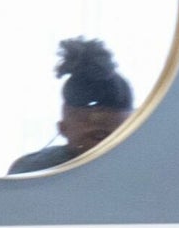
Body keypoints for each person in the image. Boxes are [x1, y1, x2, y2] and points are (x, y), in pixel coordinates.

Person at [10, 35, 137, 174]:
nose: (105, 145)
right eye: (97, 136)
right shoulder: (31, 173)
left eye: (116, 135)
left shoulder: (147, 170)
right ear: (63, 129)